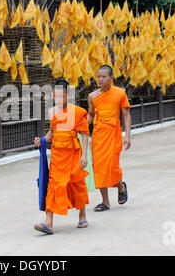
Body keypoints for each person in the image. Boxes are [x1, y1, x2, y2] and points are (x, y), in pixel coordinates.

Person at [33, 79, 90, 234]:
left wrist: (84, 155)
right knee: (53, 185)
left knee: (76, 184)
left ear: (68, 95)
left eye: (61, 96)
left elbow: (85, 134)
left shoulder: (77, 111)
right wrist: (42, 140)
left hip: (72, 153)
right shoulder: (52, 111)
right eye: (55, 96)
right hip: (58, 154)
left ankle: (82, 214)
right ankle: (49, 223)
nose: (58, 99)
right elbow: (53, 132)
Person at [87, 65, 132, 212]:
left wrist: (128, 135)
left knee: (112, 166)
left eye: (103, 76)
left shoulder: (120, 93)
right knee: (99, 168)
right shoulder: (92, 96)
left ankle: (120, 185)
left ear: (111, 78)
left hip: (113, 134)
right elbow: (91, 115)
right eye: (98, 76)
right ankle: (105, 202)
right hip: (99, 135)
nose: (100, 79)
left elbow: (126, 115)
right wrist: (78, 126)